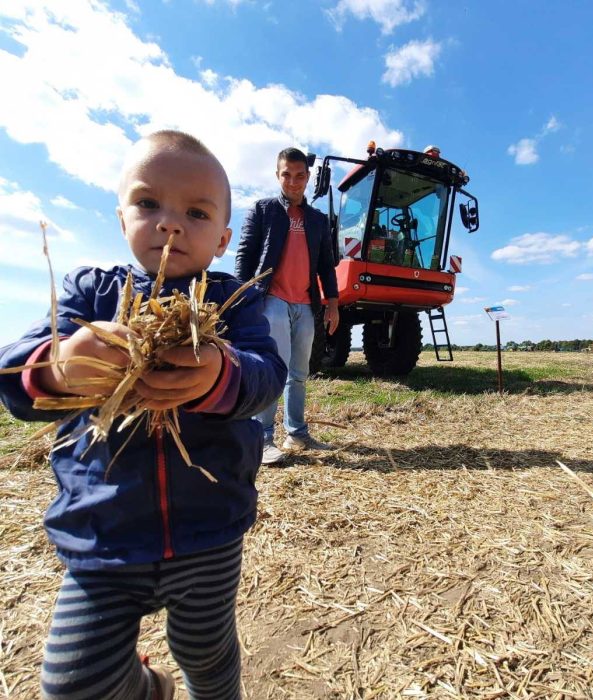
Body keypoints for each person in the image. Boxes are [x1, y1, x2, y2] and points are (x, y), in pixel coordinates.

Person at [0, 130, 286, 700]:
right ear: (122, 216)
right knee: (72, 682)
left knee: (206, 656)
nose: (171, 223)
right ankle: (150, 688)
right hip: (103, 533)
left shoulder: (234, 302)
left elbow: (266, 376)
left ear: (225, 237)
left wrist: (219, 374)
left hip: (208, 527)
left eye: (196, 212)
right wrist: (61, 367)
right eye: (149, 203)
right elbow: (14, 378)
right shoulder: (91, 294)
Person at [235, 147, 339, 465]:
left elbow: (326, 265)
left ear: (307, 178)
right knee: (273, 370)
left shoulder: (318, 221)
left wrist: (332, 304)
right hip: (273, 301)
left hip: (305, 305)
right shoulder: (263, 210)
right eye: (286, 175)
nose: (293, 182)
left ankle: (297, 432)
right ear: (277, 175)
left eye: (299, 176)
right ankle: (264, 438)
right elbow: (245, 255)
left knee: (300, 373)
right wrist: (241, 299)